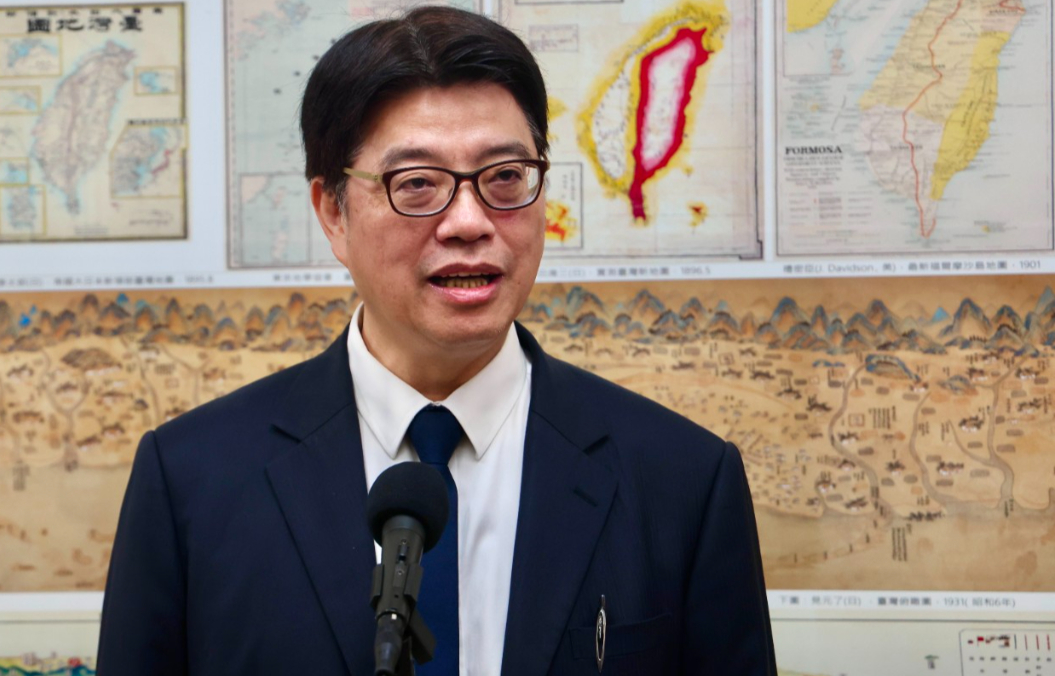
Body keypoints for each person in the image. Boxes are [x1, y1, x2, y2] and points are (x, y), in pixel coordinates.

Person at [97, 6, 776, 675]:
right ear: (332, 212)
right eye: (417, 184)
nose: (469, 222)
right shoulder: (192, 479)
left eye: (505, 177)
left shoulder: (683, 480)